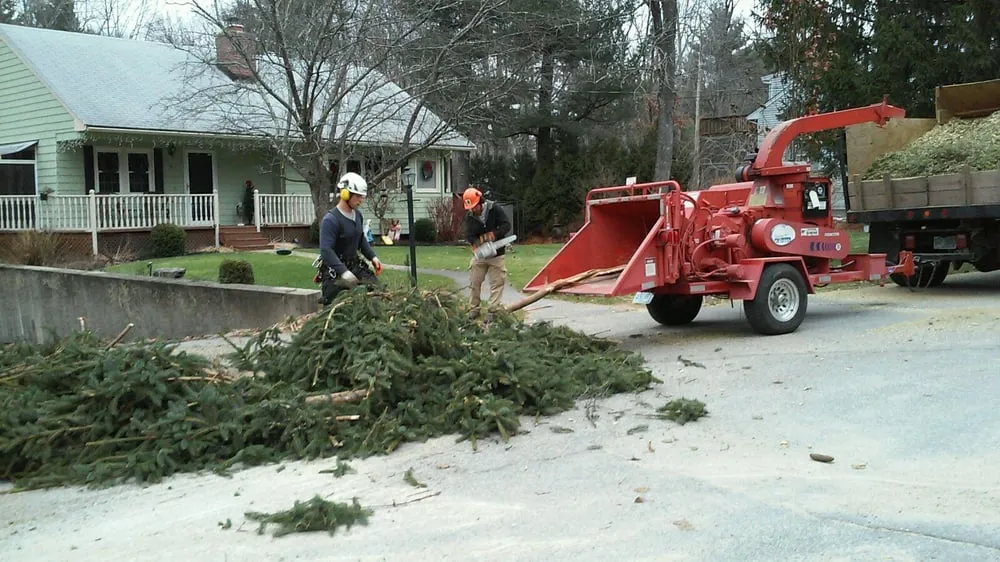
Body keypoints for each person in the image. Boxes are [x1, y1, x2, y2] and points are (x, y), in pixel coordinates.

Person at [317, 172, 384, 305]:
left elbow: (360, 239)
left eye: (362, 196)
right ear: (345, 194)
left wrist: (372, 257)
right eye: (358, 196)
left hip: (355, 266)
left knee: (377, 293)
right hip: (335, 273)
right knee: (341, 306)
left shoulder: (357, 215)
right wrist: (343, 272)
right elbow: (326, 250)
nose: (361, 200)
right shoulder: (331, 220)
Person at [462, 186, 511, 315]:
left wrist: (494, 234)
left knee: (497, 282)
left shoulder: (494, 209)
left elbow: (506, 225)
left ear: (480, 202)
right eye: (470, 208)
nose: (473, 210)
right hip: (481, 255)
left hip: (496, 253)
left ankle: (493, 310)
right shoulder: (470, 217)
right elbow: (469, 235)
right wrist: (479, 242)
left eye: (474, 207)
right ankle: (474, 309)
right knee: (474, 281)